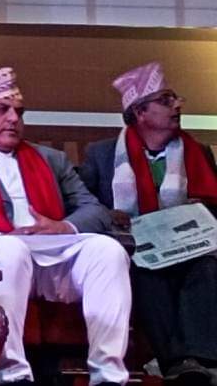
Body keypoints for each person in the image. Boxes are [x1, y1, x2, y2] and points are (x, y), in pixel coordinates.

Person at [0, 67, 130, 386]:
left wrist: (62, 227)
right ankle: (11, 373)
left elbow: (94, 210)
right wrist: (2, 237)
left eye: (18, 112)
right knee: (10, 250)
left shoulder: (50, 159)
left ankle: (108, 375)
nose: (13, 118)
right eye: (1, 109)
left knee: (107, 250)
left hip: (52, 248)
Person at [79, 63, 217, 386]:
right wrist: (108, 214)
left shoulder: (197, 151)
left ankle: (199, 359)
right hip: (134, 248)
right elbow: (83, 203)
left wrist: (203, 207)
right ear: (140, 112)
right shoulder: (102, 154)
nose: (177, 106)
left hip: (187, 247)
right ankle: (176, 362)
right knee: (144, 271)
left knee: (207, 267)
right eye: (166, 100)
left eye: (175, 99)